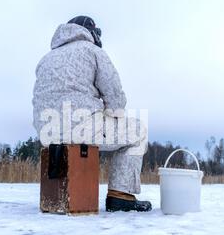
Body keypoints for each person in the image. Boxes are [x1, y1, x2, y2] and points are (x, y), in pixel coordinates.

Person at [32, 16, 151, 212]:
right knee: (138, 130)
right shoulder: (94, 52)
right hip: (81, 127)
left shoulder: (45, 59)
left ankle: (58, 197)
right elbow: (116, 99)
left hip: (47, 133)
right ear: (91, 32)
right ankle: (121, 196)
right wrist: (109, 113)